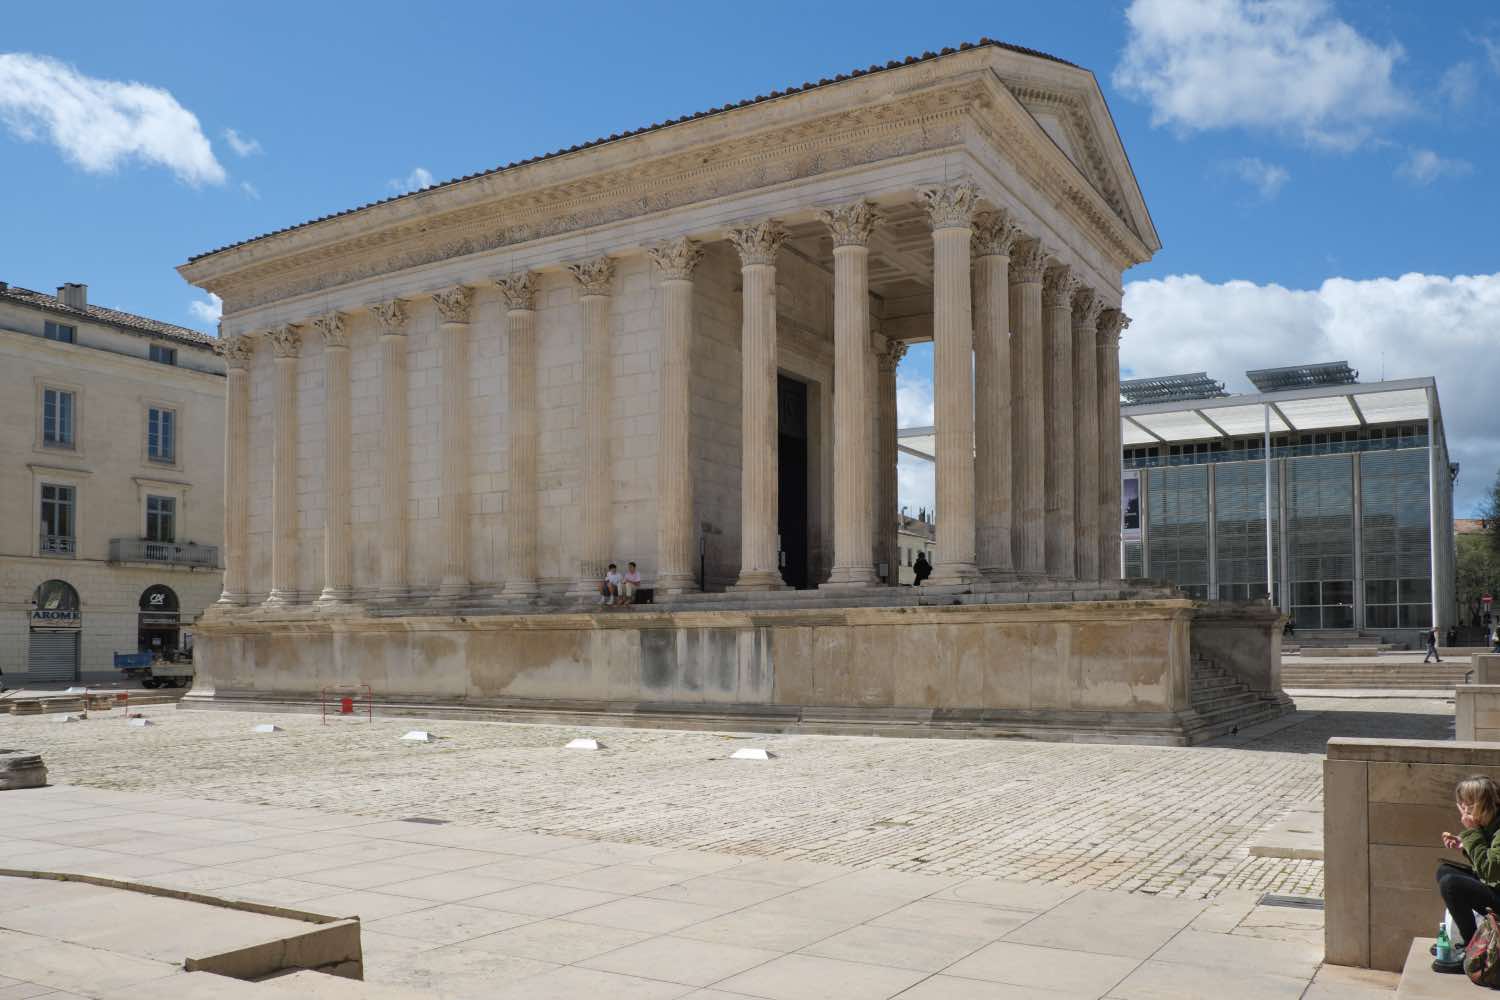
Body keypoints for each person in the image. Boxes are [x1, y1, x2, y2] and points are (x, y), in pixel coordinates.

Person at [1434, 776, 1500, 973]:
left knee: (1451, 884)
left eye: (1467, 803)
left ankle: (1472, 952)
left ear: (1481, 804)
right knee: (1444, 871)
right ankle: (1469, 940)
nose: (1463, 808)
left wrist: (1471, 833)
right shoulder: (1490, 824)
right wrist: (1465, 846)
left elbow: (1491, 871)